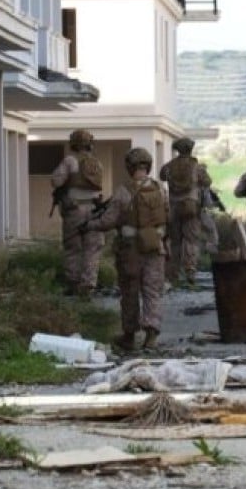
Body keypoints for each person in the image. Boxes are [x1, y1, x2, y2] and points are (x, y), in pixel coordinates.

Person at [82, 148, 168, 352]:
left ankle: (129, 335)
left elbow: (109, 220)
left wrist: (89, 226)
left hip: (131, 250)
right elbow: (167, 216)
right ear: (148, 166)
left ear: (129, 167)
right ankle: (151, 335)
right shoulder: (159, 189)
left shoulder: (124, 191)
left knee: (130, 291)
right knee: (152, 291)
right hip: (155, 246)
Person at [50, 129, 106, 299]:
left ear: (73, 144)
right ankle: (88, 285)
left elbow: (56, 181)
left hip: (74, 211)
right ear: (90, 144)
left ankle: (73, 283)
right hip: (95, 211)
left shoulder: (70, 161)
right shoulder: (97, 163)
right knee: (92, 248)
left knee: (73, 248)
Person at [159, 136, 212, 288]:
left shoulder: (170, 165)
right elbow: (207, 181)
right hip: (191, 207)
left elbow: (162, 175)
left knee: (175, 241)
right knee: (191, 240)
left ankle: (173, 273)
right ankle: (190, 271)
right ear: (190, 149)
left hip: (174, 207)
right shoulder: (196, 166)